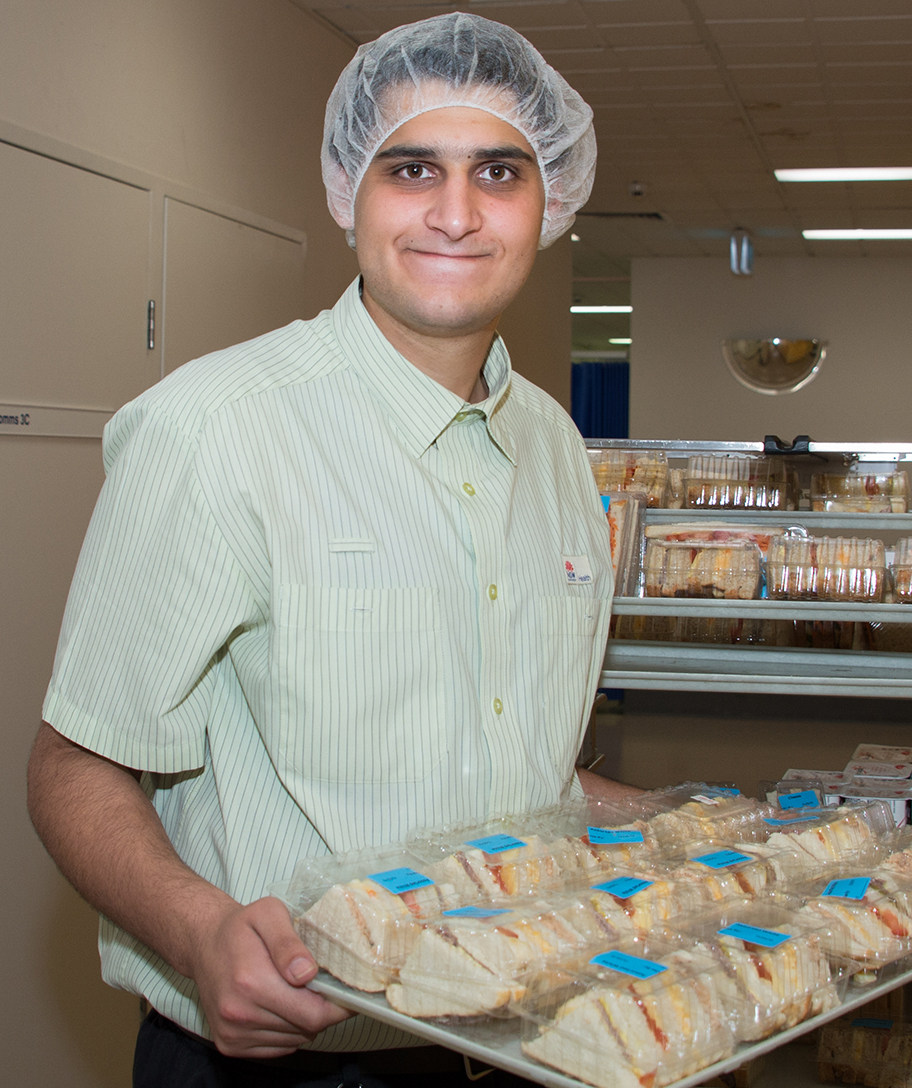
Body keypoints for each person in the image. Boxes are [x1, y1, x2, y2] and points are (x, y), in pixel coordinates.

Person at [27, 12, 635, 1087]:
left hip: (518, 1033)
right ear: (349, 188)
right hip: (282, 1057)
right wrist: (199, 928)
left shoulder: (552, 446)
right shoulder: (215, 428)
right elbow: (76, 763)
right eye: (412, 168)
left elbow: (506, 750)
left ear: (550, 205)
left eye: (498, 170)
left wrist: (704, 821)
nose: (456, 212)